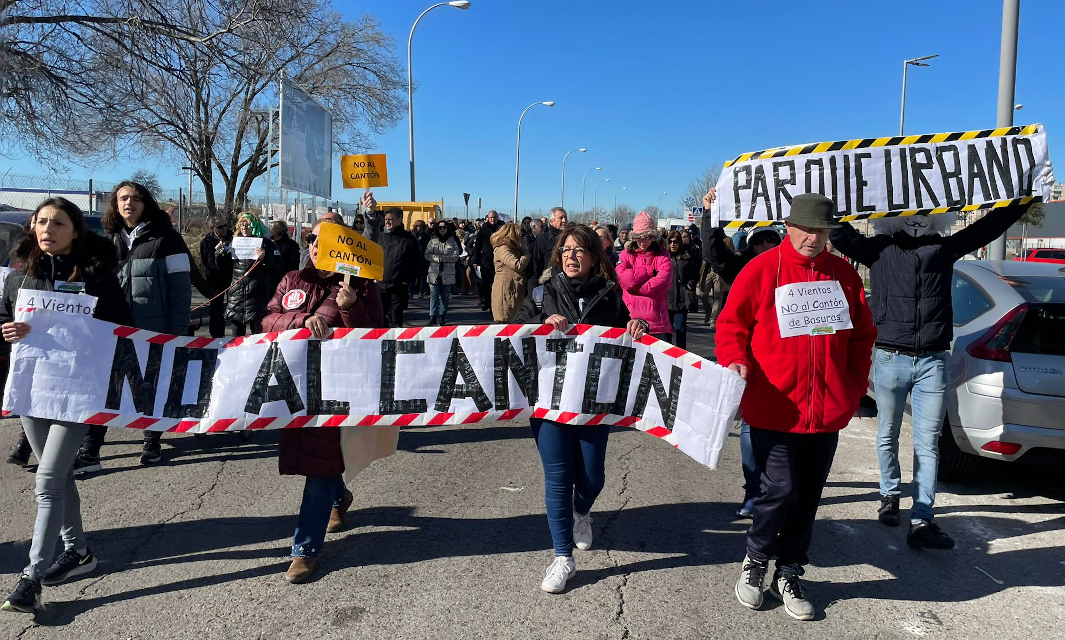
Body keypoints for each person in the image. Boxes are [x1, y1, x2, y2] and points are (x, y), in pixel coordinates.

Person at [830, 197, 1040, 549]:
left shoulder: (944, 249)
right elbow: (839, 233)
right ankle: (889, 495)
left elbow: (990, 226)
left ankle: (922, 518)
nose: (918, 220)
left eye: (926, 214)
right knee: (888, 432)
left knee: (928, 443)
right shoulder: (877, 249)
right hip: (890, 357)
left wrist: (1025, 197)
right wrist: (826, 195)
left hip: (933, 360)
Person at [715, 194, 876, 621]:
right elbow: (732, 324)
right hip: (775, 407)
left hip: (826, 412)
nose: (813, 237)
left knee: (806, 498)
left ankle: (789, 571)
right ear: (789, 227)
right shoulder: (762, 269)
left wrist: (855, 385)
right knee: (779, 490)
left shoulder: (843, 275)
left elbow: (862, 336)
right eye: (806, 229)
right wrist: (735, 359)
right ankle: (756, 561)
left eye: (822, 230)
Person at [1, 198, 133, 614]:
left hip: (78, 393)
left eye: (58, 222)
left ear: (75, 230)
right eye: (41, 221)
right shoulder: (16, 280)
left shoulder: (97, 276)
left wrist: (83, 329)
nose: (48, 228)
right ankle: (78, 552)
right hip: (33, 391)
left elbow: (123, 329)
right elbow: (2, 323)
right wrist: (8, 330)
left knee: (46, 480)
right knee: (56, 477)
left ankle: (31, 577)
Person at [513, 224, 649, 594]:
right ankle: (562, 557)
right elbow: (512, 331)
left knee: (592, 477)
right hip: (549, 405)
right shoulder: (541, 294)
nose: (571, 257)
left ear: (593, 258)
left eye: (579, 251)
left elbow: (629, 331)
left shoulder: (609, 295)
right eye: (566, 250)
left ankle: (582, 511)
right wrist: (539, 324)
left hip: (592, 405)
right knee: (558, 478)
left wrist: (638, 324)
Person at [261, 219, 390, 584]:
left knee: (319, 464)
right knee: (318, 461)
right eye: (312, 238)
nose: (316, 245)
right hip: (296, 387)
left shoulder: (361, 285)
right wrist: (303, 319)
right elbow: (267, 319)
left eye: (326, 239)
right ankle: (339, 497)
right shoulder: (291, 279)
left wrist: (350, 309)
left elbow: (378, 336)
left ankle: (304, 551)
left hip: (337, 389)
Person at [75, 181, 192, 469]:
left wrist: (177, 332)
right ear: (115, 204)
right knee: (105, 387)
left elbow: (180, 290)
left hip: (154, 328)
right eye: (123, 198)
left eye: (136, 198)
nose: (129, 203)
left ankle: (152, 440)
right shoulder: (104, 240)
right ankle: (91, 449)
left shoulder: (168, 239)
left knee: (150, 385)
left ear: (146, 203)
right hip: (110, 328)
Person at [702, 189, 786, 516]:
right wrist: (709, 214)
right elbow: (712, 252)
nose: (765, 246)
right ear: (749, 245)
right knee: (751, 426)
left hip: (787, 359)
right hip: (751, 361)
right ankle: (754, 490)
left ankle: (780, 488)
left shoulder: (794, 269)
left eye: (771, 239)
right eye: (758, 240)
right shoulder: (739, 269)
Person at [616, 211, 672, 341]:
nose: (643, 242)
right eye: (639, 237)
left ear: (653, 236)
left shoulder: (663, 255)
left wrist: (634, 287)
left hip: (656, 323)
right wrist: (648, 271)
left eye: (647, 237)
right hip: (630, 319)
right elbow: (623, 278)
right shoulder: (626, 253)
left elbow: (663, 282)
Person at [226, 212, 283, 337]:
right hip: (236, 298)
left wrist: (265, 258)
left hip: (258, 298)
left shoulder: (267, 244)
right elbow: (223, 269)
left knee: (258, 339)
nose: (244, 228)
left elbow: (278, 268)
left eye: (247, 225)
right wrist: (219, 254)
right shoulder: (234, 243)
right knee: (236, 340)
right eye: (241, 225)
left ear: (255, 226)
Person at [374, 207, 420, 327]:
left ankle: (396, 345)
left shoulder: (409, 240)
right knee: (380, 318)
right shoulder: (379, 237)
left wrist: (406, 281)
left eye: (391, 219)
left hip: (398, 287)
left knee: (396, 320)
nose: (387, 222)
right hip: (380, 286)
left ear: (399, 220)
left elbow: (417, 263)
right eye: (386, 219)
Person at [199, 217, 234, 339]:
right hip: (215, 280)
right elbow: (205, 261)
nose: (224, 228)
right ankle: (217, 338)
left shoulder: (233, 239)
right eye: (220, 227)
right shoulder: (206, 242)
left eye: (225, 225)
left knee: (234, 308)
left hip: (231, 279)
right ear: (212, 228)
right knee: (216, 310)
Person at [665, 230, 699, 349]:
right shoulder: (664, 257)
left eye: (675, 242)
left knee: (680, 328)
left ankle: (681, 355)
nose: (672, 245)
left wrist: (690, 284)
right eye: (670, 242)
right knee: (667, 330)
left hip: (682, 299)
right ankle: (666, 355)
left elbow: (695, 274)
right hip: (666, 298)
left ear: (679, 243)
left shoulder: (687, 257)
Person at [491, 222, 530, 323]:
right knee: (505, 319)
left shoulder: (513, 248)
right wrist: (526, 255)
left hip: (513, 287)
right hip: (506, 288)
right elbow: (517, 265)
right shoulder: (503, 248)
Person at [424, 219, 461, 326]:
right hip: (434, 272)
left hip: (447, 273)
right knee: (434, 296)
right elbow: (427, 254)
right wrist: (436, 258)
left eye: (444, 227)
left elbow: (456, 256)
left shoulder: (452, 241)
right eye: (440, 227)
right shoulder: (432, 241)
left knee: (445, 297)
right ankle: (432, 317)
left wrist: (444, 258)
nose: (442, 229)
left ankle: (442, 317)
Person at [473, 211, 504, 313]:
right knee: (485, 284)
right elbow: (477, 246)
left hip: (500, 261)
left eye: (494, 217)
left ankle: (496, 305)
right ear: (487, 218)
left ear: (497, 217)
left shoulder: (502, 228)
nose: (492, 219)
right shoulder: (484, 229)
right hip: (486, 261)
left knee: (497, 285)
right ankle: (487, 303)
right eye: (490, 217)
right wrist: (475, 260)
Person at [531, 207, 568, 276]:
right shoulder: (542, 239)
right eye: (561, 218)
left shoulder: (570, 238)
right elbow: (536, 264)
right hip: (549, 281)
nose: (564, 220)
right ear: (551, 221)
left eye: (566, 218)